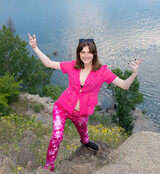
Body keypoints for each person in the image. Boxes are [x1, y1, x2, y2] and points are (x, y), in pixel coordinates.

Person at [28, 34, 142, 172]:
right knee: (57, 135)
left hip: (81, 112)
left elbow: (124, 85)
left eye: (89, 52)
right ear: (79, 53)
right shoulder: (72, 66)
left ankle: (85, 141)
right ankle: (48, 166)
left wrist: (134, 73)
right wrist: (35, 47)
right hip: (62, 107)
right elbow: (49, 63)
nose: (86, 55)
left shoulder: (102, 71)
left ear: (94, 54)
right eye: (83, 52)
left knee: (83, 130)